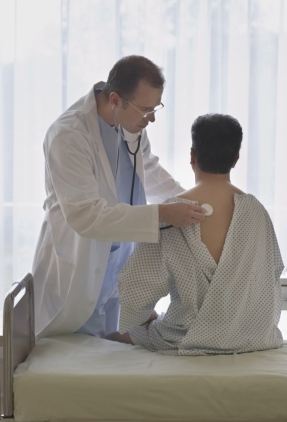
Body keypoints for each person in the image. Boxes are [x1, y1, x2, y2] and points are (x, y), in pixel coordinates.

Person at [32, 56, 206, 338]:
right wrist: (162, 214)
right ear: (115, 100)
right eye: (145, 110)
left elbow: (148, 169)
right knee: (77, 361)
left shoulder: (130, 125)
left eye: (155, 108)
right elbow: (85, 215)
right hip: (79, 266)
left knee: (112, 356)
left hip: (120, 264)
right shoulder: (68, 136)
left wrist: (191, 201)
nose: (150, 118)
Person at [107, 113, 284, 355]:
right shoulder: (256, 211)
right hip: (251, 337)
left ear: (192, 156)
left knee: (118, 333)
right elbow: (272, 278)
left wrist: (148, 318)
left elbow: (134, 292)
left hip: (185, 337)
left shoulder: (173, 212)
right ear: (236, 159)